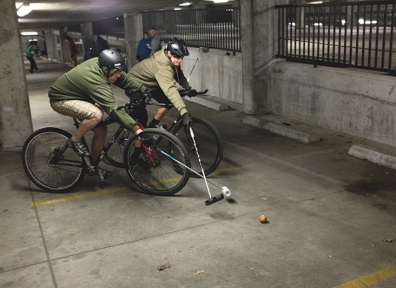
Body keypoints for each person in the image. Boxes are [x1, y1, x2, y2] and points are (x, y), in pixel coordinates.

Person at [48, 49, 153, 177]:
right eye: (116, 71)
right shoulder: (96, 81)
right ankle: (74, 140)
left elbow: (123, 79)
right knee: (97, 114)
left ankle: (92, 165)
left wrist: (143, 89)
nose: (119, 74)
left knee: (101, 131)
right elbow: (112, 109)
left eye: (120, 70)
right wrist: (137, 131)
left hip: (80, 96)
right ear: (106, 69)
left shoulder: (103, 65)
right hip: (61, 99)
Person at [127, 37, 197, 130]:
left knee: (168, 102)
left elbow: (178, 75)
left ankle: (153, 126)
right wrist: (184, 112)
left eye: (182, 57)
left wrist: (188, 88)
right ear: (169, 53)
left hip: (150, 84)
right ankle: (139, 143)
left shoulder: (171, 59)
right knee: (141, 121)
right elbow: (170, 89)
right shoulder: (162, 68)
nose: (180, 60)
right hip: (134, 83)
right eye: (177, 57)